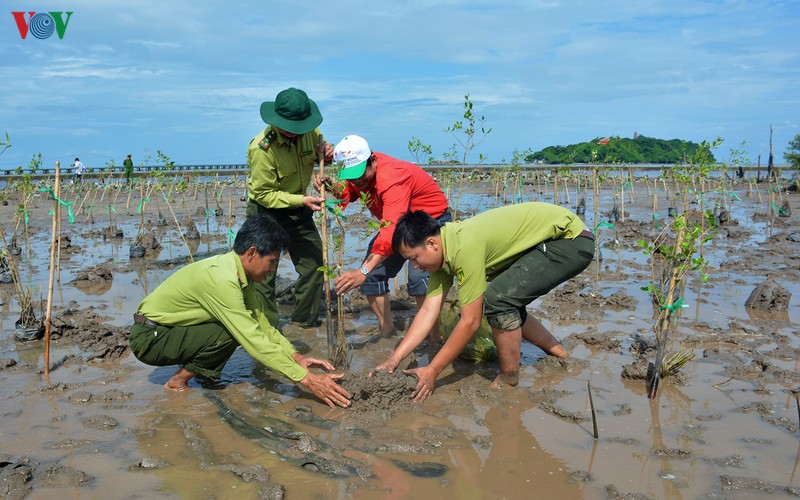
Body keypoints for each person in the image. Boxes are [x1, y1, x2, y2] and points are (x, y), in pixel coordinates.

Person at [373, 202, 595, 401]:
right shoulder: (444, 255)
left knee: (499, 299)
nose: (414, 267)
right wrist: (395, 360)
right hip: (554, 241)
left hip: (569, 241)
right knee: (506, 300)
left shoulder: (462, 246)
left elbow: (471, 322)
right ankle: (562, 356)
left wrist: (433, 369)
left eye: (413, 258)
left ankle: (509, 379)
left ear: (431, 244)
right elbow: (428, 312)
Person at [128, 215, 352, 408]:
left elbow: (262, 325)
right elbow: (251, 338)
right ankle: (178, 381)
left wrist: (296, 356)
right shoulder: (222, 279)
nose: (273, 270)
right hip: (150, 339)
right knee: (232, 331)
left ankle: (197, 370)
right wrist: (307, 380)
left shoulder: (241, 275)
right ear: (252, 253)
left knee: (236, 326)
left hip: (170, 330)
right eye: (272, 262)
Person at [313, 135, 450, 338]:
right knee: (372, 278)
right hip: (399, 223)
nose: (358, 182)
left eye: (362, 176)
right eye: (352, 177)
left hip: (430, 221)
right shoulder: (358, 178)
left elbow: (390, 231)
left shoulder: (392, 178)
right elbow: (349, 192)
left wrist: (363, 270)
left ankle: (432, 338)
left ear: (373, 160)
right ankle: (387, 330)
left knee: (419, 277)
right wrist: (332, 186)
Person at [246, 87, 333, 328]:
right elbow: (263, 194)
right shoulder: (261, 148)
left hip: (299, 210)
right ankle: (267, 329)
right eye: (289, 128)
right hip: (266, 213)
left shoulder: (310, 131)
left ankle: (304, 322)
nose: (295, 132)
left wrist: (327, 153)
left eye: (299, 128)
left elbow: (321, 153)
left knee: (315, 265)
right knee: (263, 274)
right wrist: (301, 200)